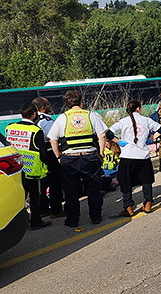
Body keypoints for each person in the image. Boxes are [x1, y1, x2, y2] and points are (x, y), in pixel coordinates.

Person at [48, 90, 107, 227]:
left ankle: (73, 220)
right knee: (93, 188)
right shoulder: (90, 115)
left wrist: (58, 157)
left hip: (69, 159)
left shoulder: (62, 118)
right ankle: (96, 217)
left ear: (67, 104)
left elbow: (53, 139)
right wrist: (102, 152)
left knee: (71, 191)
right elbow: (102, 135)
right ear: (81, 102)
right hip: (90, 157)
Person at [109, 100, 161, 216]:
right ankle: (148, 203)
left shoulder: (123, 121)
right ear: (138, 108)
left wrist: (119, 142)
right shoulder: (147, 120)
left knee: (126, 182)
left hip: (127, 156)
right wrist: (150, 139)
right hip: (143, 156)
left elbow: (109, 133)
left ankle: (128, 207)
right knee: (146, 181)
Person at [5, 102, 52, 230]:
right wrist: (48, 167)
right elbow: (43, 153)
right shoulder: (36, 130)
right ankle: (35, 221)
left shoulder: (10, 127)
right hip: (33, 170)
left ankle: (17, 223)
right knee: (34, 197)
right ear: (34, 114)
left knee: (20, 197)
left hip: (17, 169)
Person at [32, 96, 64, 218]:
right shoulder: (46, 120)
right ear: (43, 108)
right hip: (49, 154)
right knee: (55, 182)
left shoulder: (31, 119)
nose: (50, 107)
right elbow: (53, 137)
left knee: (41, 184)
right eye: (48, 105)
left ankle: (43, 209)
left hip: (36, 156)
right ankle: (56, 210)